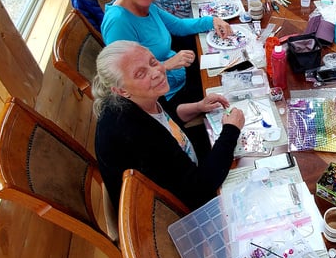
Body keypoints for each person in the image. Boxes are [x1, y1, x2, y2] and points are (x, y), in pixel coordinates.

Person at [93, 41, 244, 212]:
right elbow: (200, 189)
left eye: (153, 62)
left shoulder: (145, 95)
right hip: (171, 210)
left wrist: (198, 106)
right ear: (121, 91)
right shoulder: (136, 134)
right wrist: (231, 130)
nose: (156, 72)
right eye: (140, 74)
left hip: (183, 168)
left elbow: (169, 117)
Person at [101, 0, 231, 122]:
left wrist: (212, 21)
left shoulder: (145, 6)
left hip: (178, 78)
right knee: (228, 91)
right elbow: (126, 80)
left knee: (229, 68)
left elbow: (178, 26)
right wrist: (166, 65)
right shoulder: (118, 22)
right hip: (164, 97)